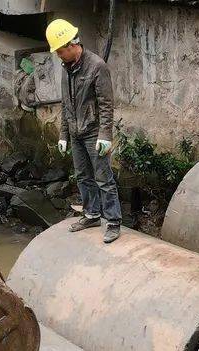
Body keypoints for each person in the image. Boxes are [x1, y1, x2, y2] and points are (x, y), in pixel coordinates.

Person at [46, 18, 122, 244]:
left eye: (60, 51)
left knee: (103, 178)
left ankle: (114, 222)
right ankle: (91, 215)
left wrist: (105, 135)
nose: (58, 56)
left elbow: (106, 105)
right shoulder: (66, 68)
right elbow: (66, 103)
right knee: (82, 176)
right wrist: (63, 135)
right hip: (75, 132)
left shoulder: (97, 66)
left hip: (93, 131)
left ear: (71, 45)